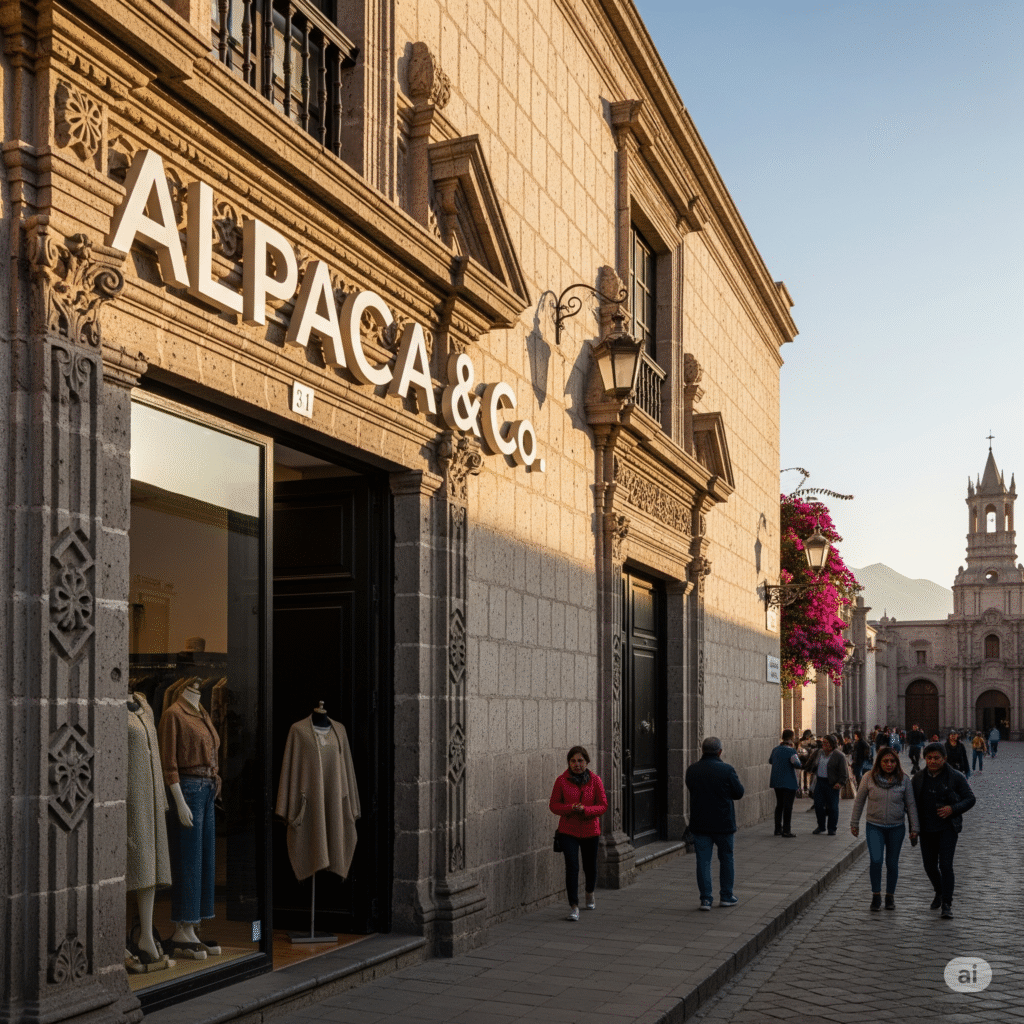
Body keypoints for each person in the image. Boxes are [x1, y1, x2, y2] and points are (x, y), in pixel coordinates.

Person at [850, 747, 919, 910]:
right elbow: (859, 801)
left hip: (896, 827)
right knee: (876, 860)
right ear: (879, 763)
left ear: (897, 763)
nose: (889, 764)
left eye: (892, 761)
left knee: (892, 863)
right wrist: (854, 823)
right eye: (885, 761)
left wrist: (914, 828)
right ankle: (876, 895)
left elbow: (911, 805)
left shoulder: (904, 779)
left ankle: (890, 896)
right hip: (874, 826)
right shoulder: (868, 778)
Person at [912, 742, 976, 919]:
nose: (933, 761)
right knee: (929, 866)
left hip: (947, 828)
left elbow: (970, 799)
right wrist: (913, 827)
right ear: (925, 759)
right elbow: (911, 804)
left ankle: (947, 903)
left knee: (946, 865)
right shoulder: (918, 778)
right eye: (929, 758)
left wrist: (953, 809)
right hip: (926, 829)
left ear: (944, 758)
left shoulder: (956, 777)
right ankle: (939, 891)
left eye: (937, 758)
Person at [549, 746, 608, 921]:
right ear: (569, 762)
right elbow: (553, 805)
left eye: (580, 761)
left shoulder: (595, 781)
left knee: (590, 866)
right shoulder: (561, 781)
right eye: (573, 761)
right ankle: (574, 906)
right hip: (569, 830)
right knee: (572, 867)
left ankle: (589, 892)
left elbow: (603, 805)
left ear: (587, 762)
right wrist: (570, 807)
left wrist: (587, 810)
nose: (577, 764)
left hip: (590, 830)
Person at [685, 736, 744, 910]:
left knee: (703, 861)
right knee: (726, 858)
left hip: (700, 822)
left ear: (703, 750)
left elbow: (691, 788)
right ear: (720, 751)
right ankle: (726, 896)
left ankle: (705, 899)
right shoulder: (726, 770)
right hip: (723, 823)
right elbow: (739, 792)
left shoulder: (692, 770)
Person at [803, 734, 849, 835]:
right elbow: (811, 763)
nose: (824, 745)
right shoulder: (819, 753)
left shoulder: (839, 756)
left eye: (827, 743)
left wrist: (840, 783)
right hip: (820, 782)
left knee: (832, 807)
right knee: (818, 805)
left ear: (833, 744)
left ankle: (832, 828)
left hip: (832, 784)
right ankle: (821, 826)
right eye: (823, 743)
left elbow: (844, 773)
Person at [768, 730, 802, 837]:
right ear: (791, 738)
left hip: (777, 782)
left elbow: (770, 761)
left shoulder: (775, 750)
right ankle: (786, 830)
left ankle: (777, 829)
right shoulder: (791, 751)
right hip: (789, 782)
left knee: (779, 805)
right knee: (788, 807)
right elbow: (797, 763)